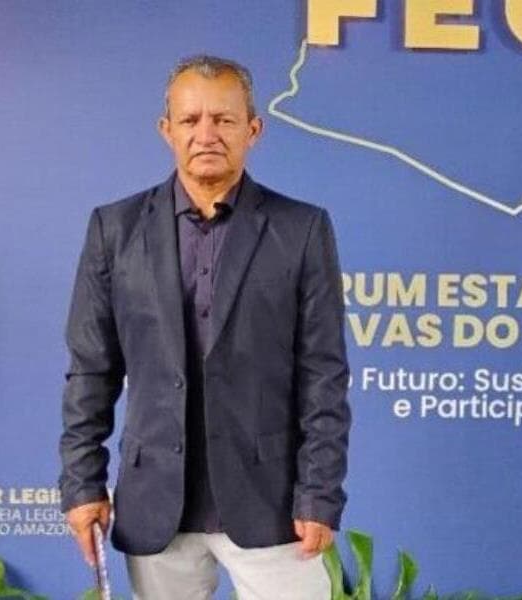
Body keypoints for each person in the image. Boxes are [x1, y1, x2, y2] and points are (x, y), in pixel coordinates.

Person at [58, 54, 350, 600]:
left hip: (274, 506)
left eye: (224, 119)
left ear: (253, 130)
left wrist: (319, 494)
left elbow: (323, 376)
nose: (206, 134)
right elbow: (91, 371)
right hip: (155, 506)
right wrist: (82, 483)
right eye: (191, 120)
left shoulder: (302, 229)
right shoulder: (114, 230)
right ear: (166, 129)